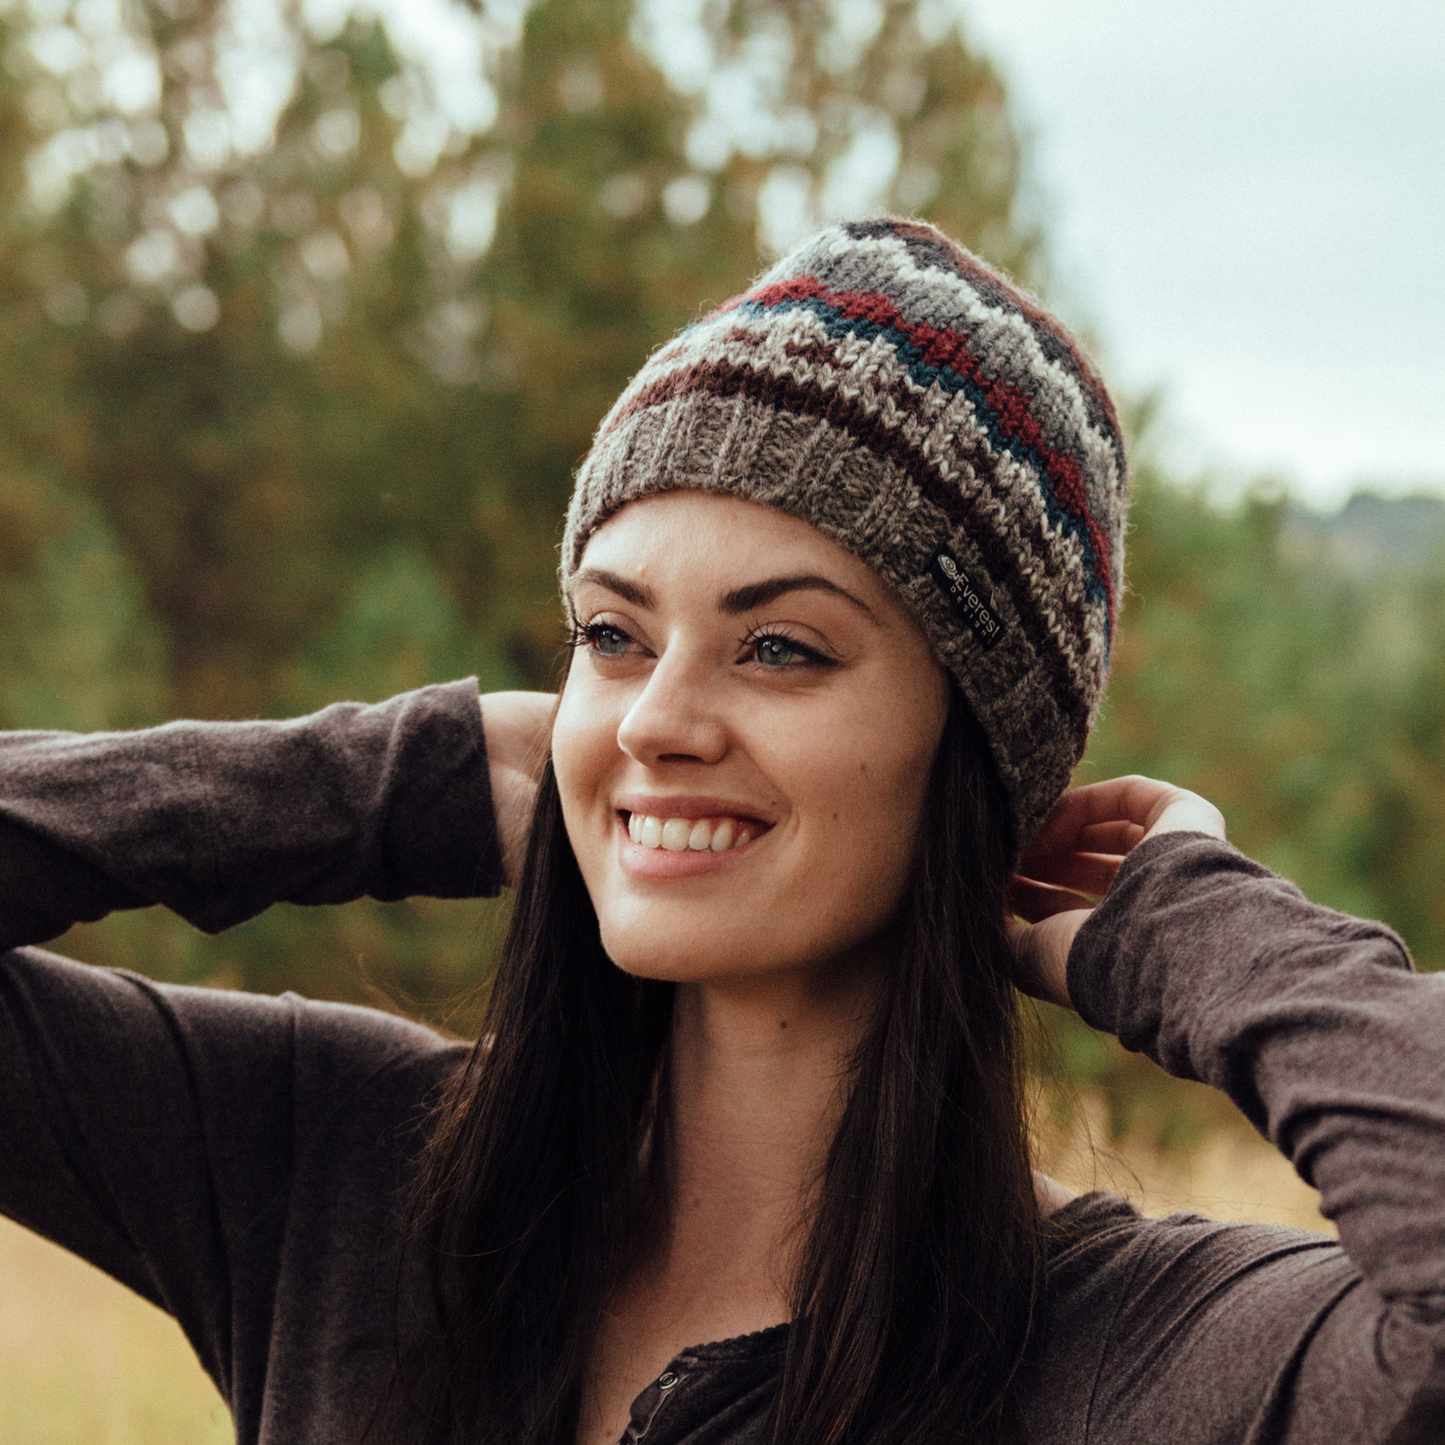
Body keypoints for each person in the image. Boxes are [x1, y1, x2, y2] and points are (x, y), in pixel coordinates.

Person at [0, 216, 1442, 1445]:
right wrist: (373, 784)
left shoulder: (1136, 1354)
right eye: (613, 636)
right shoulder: (344, 1172)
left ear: (977, 754)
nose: (655, 720)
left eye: (782, 651)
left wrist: (1193, 932)